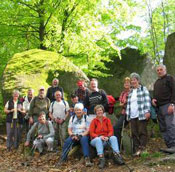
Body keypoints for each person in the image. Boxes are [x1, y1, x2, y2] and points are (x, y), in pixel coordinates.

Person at [89, 105, 124, 169]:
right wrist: (99, 136)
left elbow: (111, 131)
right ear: (95, 112)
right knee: (98, 140)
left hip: (106, 139)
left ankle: (117, 156)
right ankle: (101, 159)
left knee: (113, 138)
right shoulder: (93, 121)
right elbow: (91, 133)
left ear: (103, 111)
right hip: (95, 140)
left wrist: (108, 136)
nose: (99, 112)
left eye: (100, 110)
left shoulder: (107, 120)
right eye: (97, 111)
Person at [126, 73, 151, 156]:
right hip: (132, 116)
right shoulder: (130, 92)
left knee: (142, 132)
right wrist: (128, 115)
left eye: (134, 80)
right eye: (132, 80)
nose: (133, 81)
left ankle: (142, 149)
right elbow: (128, 104)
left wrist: (147, 111)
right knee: (134, 133)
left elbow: (147, 100)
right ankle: (137, 150)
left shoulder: (143, 89)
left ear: (138, 80)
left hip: (141, 114)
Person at [152, 64, 175, 153]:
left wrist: (172, 104)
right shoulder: (157, 82)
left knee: (170, 125)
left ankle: (174, 145)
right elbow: (155, 95)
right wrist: (153, 100)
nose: (159, 71)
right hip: (159, 107)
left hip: (168, 105)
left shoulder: (170, 78)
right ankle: (169, 146)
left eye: (161, 69)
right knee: (163, 127)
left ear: (165, 70)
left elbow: (174, 90)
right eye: (157, 70)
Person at [114, 77, 130, 148]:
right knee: (116, 128)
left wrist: (125, 103)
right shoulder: (123, 93)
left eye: (128, 82)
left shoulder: (133, 91)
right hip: (124, 113)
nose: (126, 84)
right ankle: (119, 146)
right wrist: (124, 103)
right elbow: (120, 103)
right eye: (125, 82)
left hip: (132, 113)